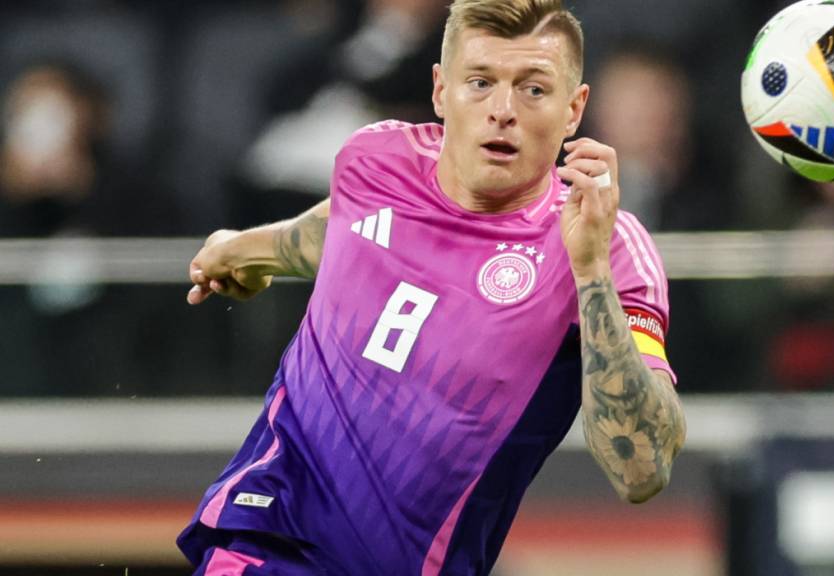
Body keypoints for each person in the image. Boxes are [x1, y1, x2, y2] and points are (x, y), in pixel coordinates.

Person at [177, 1, 687, 574]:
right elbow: (339, 231)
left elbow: (641, 471)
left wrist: (590, 270)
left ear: (574, 109)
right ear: (442, 91)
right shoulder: (376, 161)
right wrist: (244, 249)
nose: (503, 111)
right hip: (270, 536)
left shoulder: (608, 246)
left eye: (533, 89)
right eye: (480, 82)